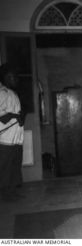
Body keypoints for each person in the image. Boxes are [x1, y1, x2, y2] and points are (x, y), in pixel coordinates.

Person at [0, 63, 24, 202]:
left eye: (16, 77)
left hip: (16, 138)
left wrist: (19, 116)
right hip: (5, 140)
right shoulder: (1, 93)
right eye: (12, 77)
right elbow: (3, 116)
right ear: (5, 77)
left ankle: (12, 192)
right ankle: (5, 194)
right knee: (5, 167)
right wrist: (15, 116)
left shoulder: (13, 93)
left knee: (15, 165)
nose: (16, 79)